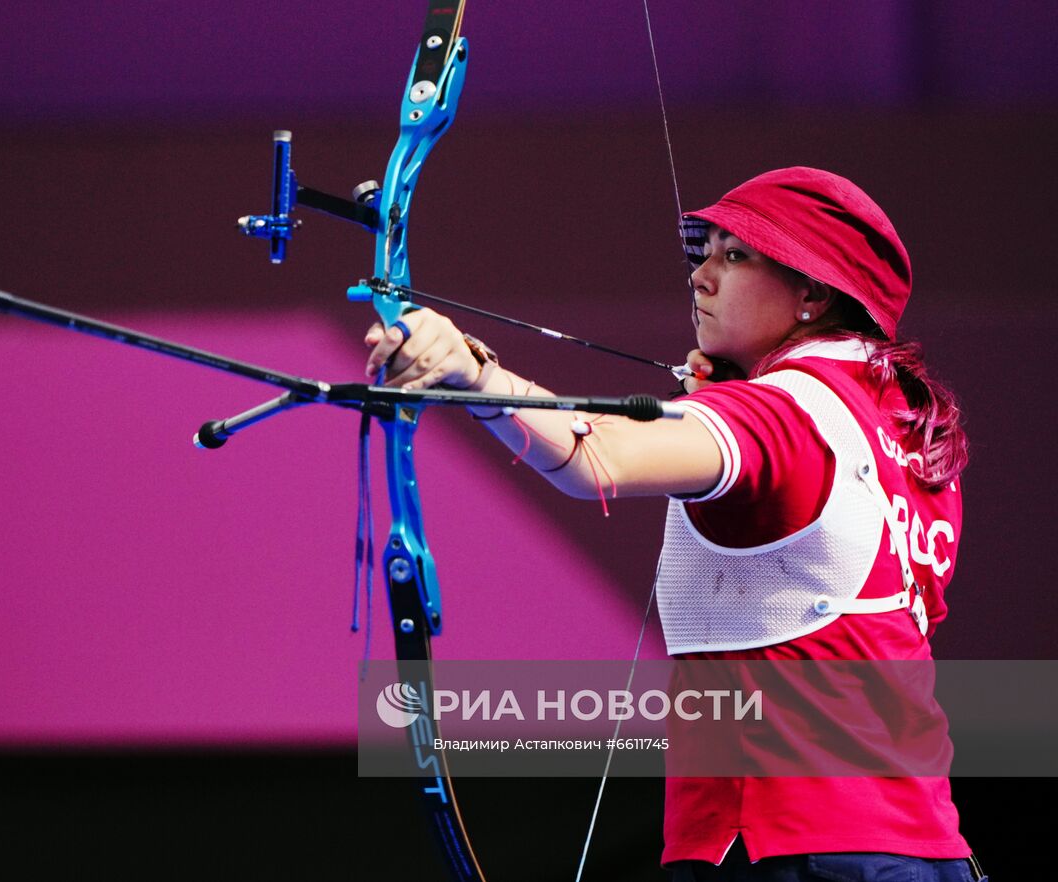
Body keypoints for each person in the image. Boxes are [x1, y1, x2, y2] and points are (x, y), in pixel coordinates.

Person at [363, 167, 985, 880]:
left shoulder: (784, 413)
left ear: (813, 293)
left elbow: (598, 457)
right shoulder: (906, 427)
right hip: (924, 850)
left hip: (789, 847)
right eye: (706, 251)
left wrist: (472, 374)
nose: (701, 276)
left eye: (735, 255)